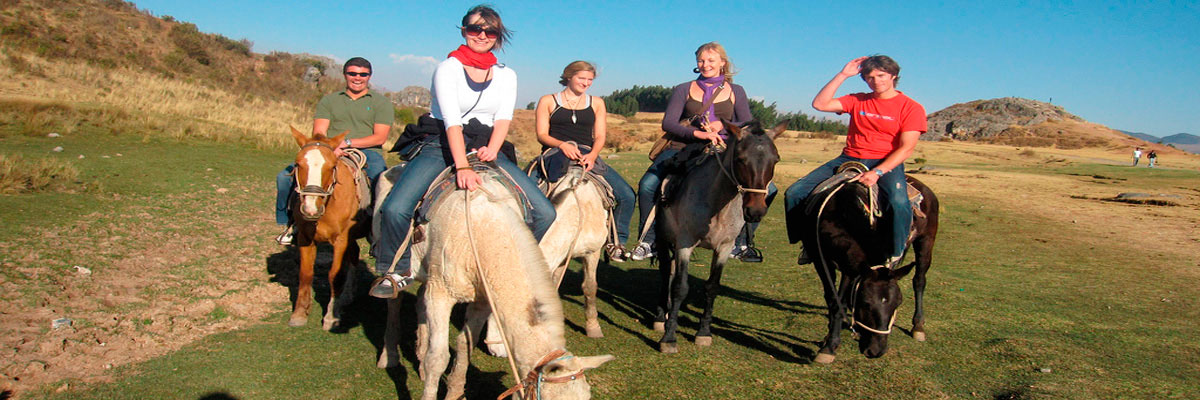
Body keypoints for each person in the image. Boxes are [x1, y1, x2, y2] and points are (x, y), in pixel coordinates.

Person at [371, 5, 555, 297]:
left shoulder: (507, 75)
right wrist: (462, 166)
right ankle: (396, 269)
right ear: (464, 31)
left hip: (486, 142)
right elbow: (452, 121)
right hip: (442, 140)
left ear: (498, 36)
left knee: (545, 212)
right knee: (395, 207)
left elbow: (504, 118)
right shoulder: (448, 68)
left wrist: (493, 149)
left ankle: (511, 265)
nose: (482, 35)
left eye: (489, 31)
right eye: (474, 29)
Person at [629, 42, 777, 262]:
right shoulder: (684, 88)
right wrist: (699, 134)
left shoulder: (736, 91)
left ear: (722, 63)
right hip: (683, 147)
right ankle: (649, 240)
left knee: (769, 189)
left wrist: (722, 127)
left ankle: (742, 242)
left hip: (723, 149)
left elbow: (747, 123)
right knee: (648, 185)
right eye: (701, 60)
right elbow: (668, 123)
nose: (705, 64)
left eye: (711, 60)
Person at [784, 55, 927, 269]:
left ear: (893, 76)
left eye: (881, 75)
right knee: (794, 193)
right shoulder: (858, 99)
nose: (875, 81)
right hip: (849, 158)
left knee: (898, 203)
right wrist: (843, 75)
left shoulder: (911, 107)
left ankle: (895, 254)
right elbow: (820, 104)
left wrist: (878, 173)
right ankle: (807, 244)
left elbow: (906, 147)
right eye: (869, 77)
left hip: (886, 161)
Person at [274, 57, 392, 245]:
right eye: (352, 73)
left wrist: (346, 143)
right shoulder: (330, 101)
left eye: (363, 74)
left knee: (380, 181)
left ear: (369, 76)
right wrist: (329, 150)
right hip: (329, 149)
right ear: (345, 75)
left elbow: (380, 137)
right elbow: (319, 133)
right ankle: (291, 223)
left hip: (368, 151)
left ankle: (375, 229)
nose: (357, 78)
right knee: (285, 177)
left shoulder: (381, 103)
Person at [531, 61, 636, 261]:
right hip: (554, 153)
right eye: (582, 78)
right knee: (524, 193)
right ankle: (525, 239)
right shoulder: (548, 100)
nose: (586, 83)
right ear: (569, 76)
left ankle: (617, 242)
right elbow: (542, 134)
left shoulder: (597, 103)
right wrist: (562, 145)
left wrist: (593, 154)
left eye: (590, 80)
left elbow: (600, 136)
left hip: (587, 153)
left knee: (626, 195)